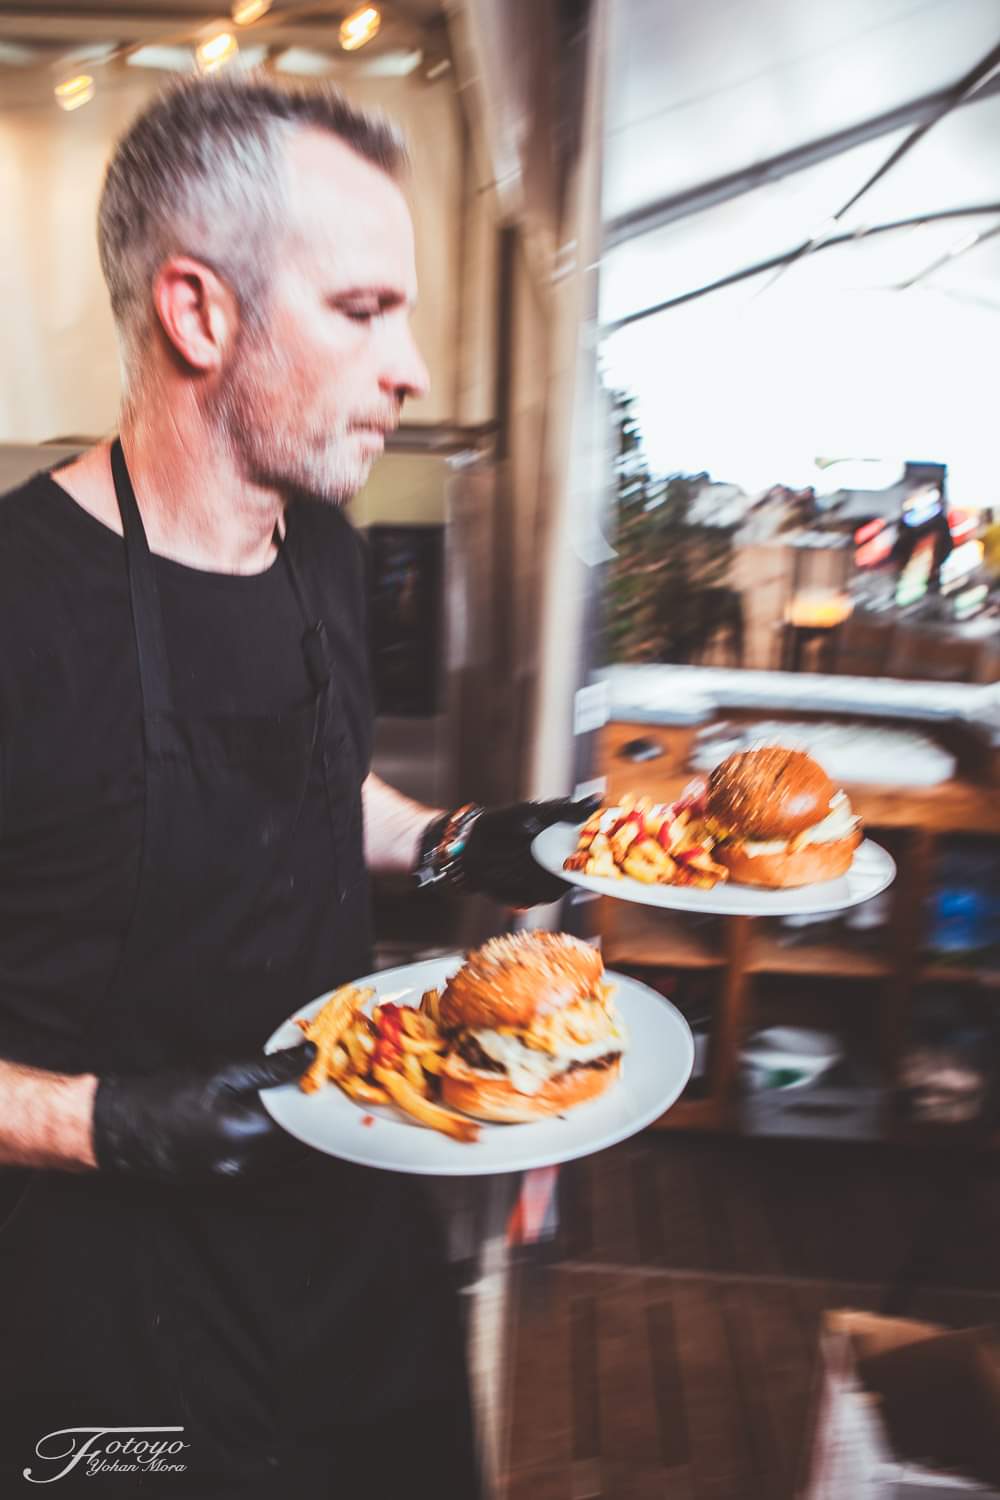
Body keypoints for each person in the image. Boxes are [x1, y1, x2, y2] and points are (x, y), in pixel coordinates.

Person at [0, 76, 591, 1497]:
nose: (416, 372)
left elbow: (318, 793)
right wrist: (106, 1122)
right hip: (105, 1340)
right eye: (363, 312)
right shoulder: (19, 602)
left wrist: (466, 843)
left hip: (356, 1276)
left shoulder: (321, 549)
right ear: (199, 314)